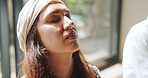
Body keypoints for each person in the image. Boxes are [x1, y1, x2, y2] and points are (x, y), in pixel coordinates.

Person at [17, 0, 101, 78]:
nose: (70, 23)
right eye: (54, 19)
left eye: (68, 16)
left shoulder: (93, 74)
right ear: (34, 36)